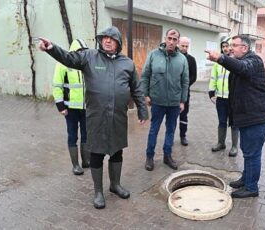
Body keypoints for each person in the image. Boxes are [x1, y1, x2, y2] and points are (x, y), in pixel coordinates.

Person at [38, 26, 148, 209]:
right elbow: (68, 58)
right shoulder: (89, 56)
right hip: (96, 117)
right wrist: (51, 48)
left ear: (118, 42)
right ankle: (98, 192)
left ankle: (115, 185)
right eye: (104, 38)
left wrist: (143, 110)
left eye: (111, 39)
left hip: (118, 117)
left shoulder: (127, 63)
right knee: (96, 153)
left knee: (117, 151)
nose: (107, 41)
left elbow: (136, 88)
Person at [205, 35, 265, 198]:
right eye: (230, 45)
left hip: (259, 117)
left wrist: (221, 57)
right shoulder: (241, 62)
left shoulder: (254, 61)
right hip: (250, 117)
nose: (231, 48)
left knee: (252, 153)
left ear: (245, 48)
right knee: (248, 151)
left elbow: (242, 68)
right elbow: (237, 70)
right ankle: (246, 179)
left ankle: (251, 188)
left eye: (234, 45)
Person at [141, 28, 189, 171]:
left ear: (178, 42)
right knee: (153, 130)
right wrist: (146, 94)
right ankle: (149, 157)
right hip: (157, 101)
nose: (171, 42)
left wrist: (182, 101)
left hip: (174, 103)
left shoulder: (182, 59)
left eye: (175, 40)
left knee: (170, 130)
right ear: (165, 38)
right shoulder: (153, 55)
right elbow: (145, 76)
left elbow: (185, 81)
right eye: (169, 38)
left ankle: (167, 156)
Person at [52, 39, 89, 176]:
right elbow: (57, 85)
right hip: (70, 108)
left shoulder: (86, 63)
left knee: (86, 135)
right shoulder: (63, 64)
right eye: (80, 51)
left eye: (84, 51)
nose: (83, 54)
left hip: (86, 107)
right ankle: (75, 165)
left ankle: (86, 161)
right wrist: (61, 106)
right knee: (72, 136)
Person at [208, 40, 239, 157]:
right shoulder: (217, 63)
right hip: (220, 98)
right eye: (223, 46)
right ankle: (221, 143)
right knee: (221, 122)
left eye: (228, 46)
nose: (226, 48)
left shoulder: (236, 61)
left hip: (233, 99)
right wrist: (211, 93)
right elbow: (213, 78)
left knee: (234, 123)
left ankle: (235, 146)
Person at [178, 37, 197, 146]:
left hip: (185, 93)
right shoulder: (173, 58)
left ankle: (183, 136)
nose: (184, 48)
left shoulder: (191, 59)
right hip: (172, 93)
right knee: (171, 116)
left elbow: (193, 76)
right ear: (178, 45)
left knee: (184, 115)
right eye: (182, 46)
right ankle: (169, 136)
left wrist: (184, 86)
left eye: (186, 46)